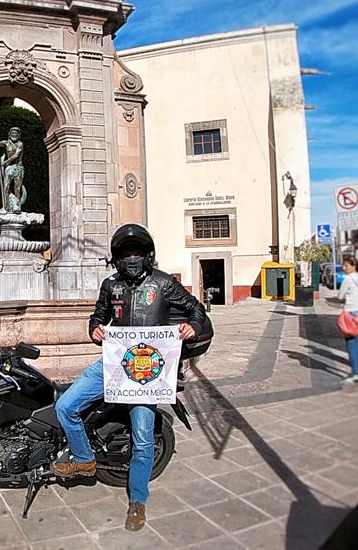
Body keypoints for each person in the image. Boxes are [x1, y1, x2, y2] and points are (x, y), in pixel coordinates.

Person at [53, 223, 209, 532]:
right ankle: (84, 458)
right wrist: (94, 328)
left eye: (137, 252)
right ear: (117, 258)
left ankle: (137, 500)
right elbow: (98, 315)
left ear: (148, 255)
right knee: (66, 406)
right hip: (114, 364)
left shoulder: (164, 285)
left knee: (142, 439)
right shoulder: (111, 286)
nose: (132, 258)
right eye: (125, 253)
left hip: (147, 374)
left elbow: (196, 308)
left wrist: (193, 326)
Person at [337, 256, 358, 383]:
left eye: (346, 266)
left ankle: (354, 373)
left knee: (351, 345)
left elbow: (340, 296)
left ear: (353, 266)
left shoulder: (348, 279)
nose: (344, 268)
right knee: (357, 343)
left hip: (349, 312)